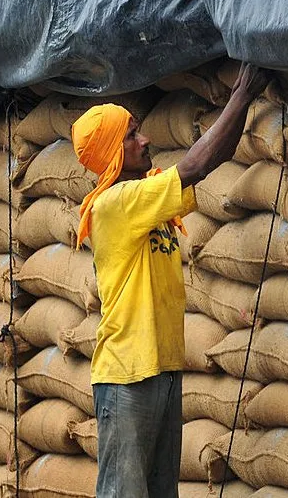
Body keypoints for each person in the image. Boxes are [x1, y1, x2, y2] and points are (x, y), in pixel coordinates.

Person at [71, 62, 270, 498]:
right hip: (126, 375)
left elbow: (210, 159)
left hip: (160, 369)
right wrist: (240, 95)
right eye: (131, 135)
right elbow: (195, 165)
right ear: (111, 151)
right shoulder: (114, 204)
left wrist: (248, 97)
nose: (145, 141)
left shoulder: (146, 194)